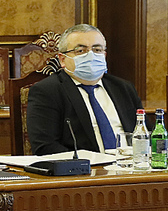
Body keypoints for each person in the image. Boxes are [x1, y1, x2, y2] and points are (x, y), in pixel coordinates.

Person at [26, 23, 143, 155]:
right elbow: (45, 147)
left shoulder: (123, 88)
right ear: (62, 59)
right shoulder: (47, 91)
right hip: (86, 166)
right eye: (81, 51)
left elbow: (145, 133)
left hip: (132, 163)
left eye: (97, 50)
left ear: (104, 55)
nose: (91, 56)